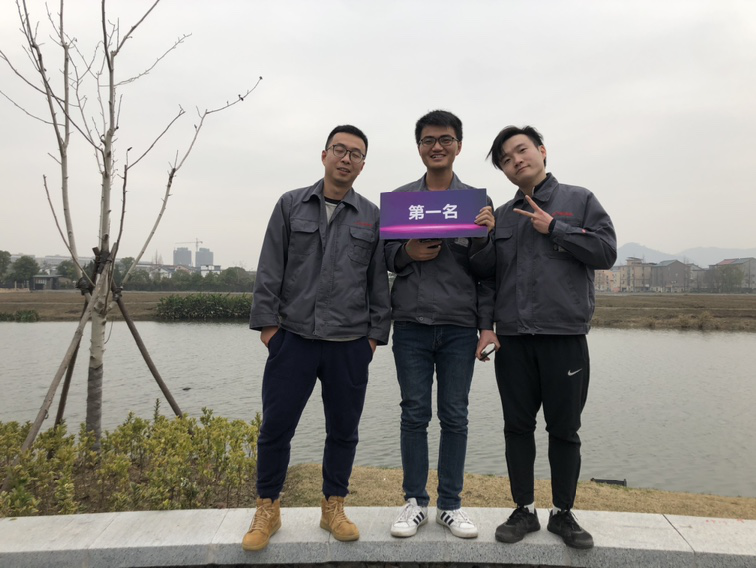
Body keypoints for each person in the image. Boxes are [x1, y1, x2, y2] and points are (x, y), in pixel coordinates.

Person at [242, 125, 391, 552]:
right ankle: (268, 508)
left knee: (344, 430)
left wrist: (373, 338)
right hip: (293, 337)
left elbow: (378, 281)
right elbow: (270, 267)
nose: (346, 158)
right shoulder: (291, 204)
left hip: (350, 343)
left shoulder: (371, 216)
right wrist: (270, 331)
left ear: (363, 164)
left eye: (355, 154)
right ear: (324, 155)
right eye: (339, 150)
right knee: (276, 427)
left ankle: (333, 506)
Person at [476, 125, 616, 549]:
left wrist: (555, 227)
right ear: (504, 171)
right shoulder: (501, 215)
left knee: (565, 429)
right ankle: (524, 509)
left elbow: (606, 252)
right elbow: (488, 278)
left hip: (564, 337)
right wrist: (487, 326)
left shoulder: (579, 200)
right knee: (517, 427)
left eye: (521, 150)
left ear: (541, 151)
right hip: (513, 340)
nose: (516, 160)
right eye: (506, 159)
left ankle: (563, 513)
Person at [385, 110, 494, 539]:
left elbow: (486, 272)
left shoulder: (476, 204)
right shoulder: (401, 201)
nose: (437, 147)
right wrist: (406, 252)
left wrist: (486, 237)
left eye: (445, 139)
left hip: (459, 325)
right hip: (410, 322)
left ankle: (450, 504)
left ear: (458, 146)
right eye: (428, 140)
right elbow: (384, 258)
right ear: (419, 148)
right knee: (414, 413)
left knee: (455, 416)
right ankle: (415, 502)